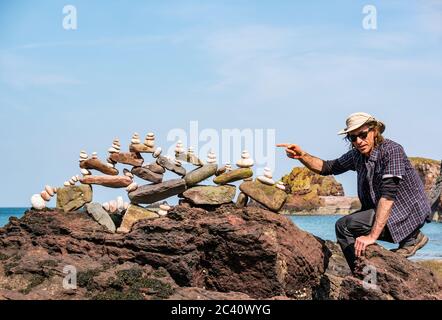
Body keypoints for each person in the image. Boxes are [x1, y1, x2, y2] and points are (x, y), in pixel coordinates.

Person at [277, 112, 431, 272]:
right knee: (353, 227)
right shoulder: (357, 155)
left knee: (344, 226)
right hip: (384, 209)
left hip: (405, 210)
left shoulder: (392, 151)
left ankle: (363, 275)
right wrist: (302, 156)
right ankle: (404, 243)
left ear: (375, 131)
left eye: (363, 135)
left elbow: (388, 196)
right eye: (353, 138)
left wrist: (372, 237)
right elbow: (328, 167)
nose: (358, 141)